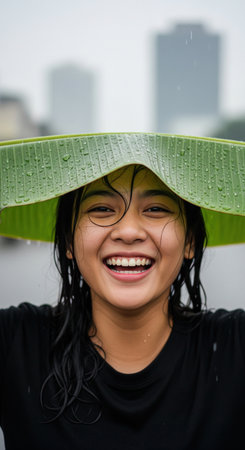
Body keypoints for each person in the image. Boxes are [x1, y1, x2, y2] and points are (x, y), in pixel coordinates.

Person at [0, 133, 245, 450]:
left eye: (156, 209)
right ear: (69, 241)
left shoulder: (235, 350)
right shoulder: (14, 345)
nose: (128, 232)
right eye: (101, 208)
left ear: (190, 242)